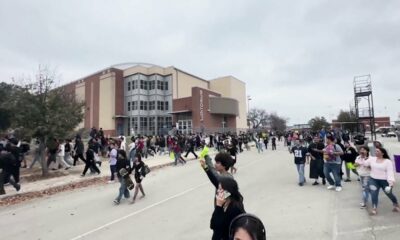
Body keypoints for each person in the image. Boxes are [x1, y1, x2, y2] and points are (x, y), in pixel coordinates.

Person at [363, 147, 400, 215]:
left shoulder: (387, 161)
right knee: (374, 194)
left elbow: (390, 172)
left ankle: (396, 204)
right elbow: (365, 164)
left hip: (384, 181)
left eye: (377, 151)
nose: (375, 152)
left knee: (389, 194)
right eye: (375, 151)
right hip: (373, 180)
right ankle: (374, 209)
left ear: (382, 153)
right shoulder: (372, 159)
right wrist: (365, 158)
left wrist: (391, 182)